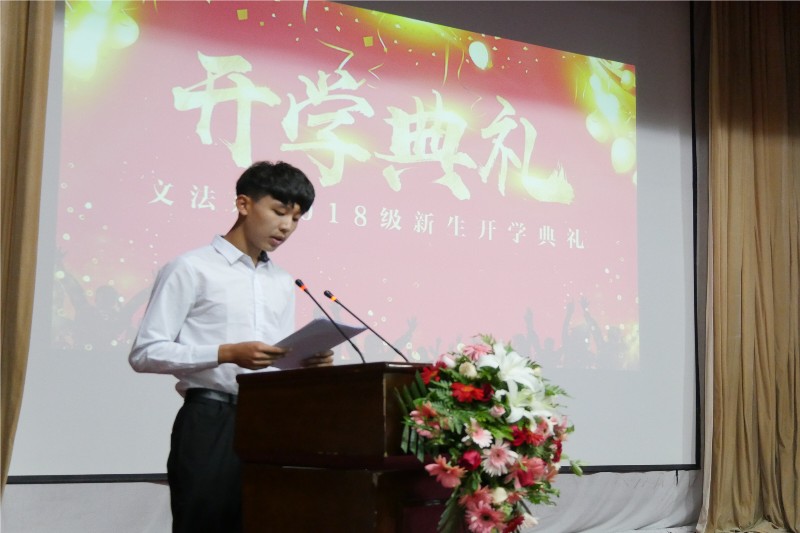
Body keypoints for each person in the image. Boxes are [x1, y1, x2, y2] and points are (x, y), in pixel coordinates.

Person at [129, 161, 333, 533]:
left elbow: (274, 360)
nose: (287, 227)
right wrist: (226, 353)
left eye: (297, 218)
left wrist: (304, 363)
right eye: (279, 212)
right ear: (243, 204)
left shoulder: (282, 281)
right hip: (210, 419)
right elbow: (145, 353)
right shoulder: (190, 268)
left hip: (268, 423)